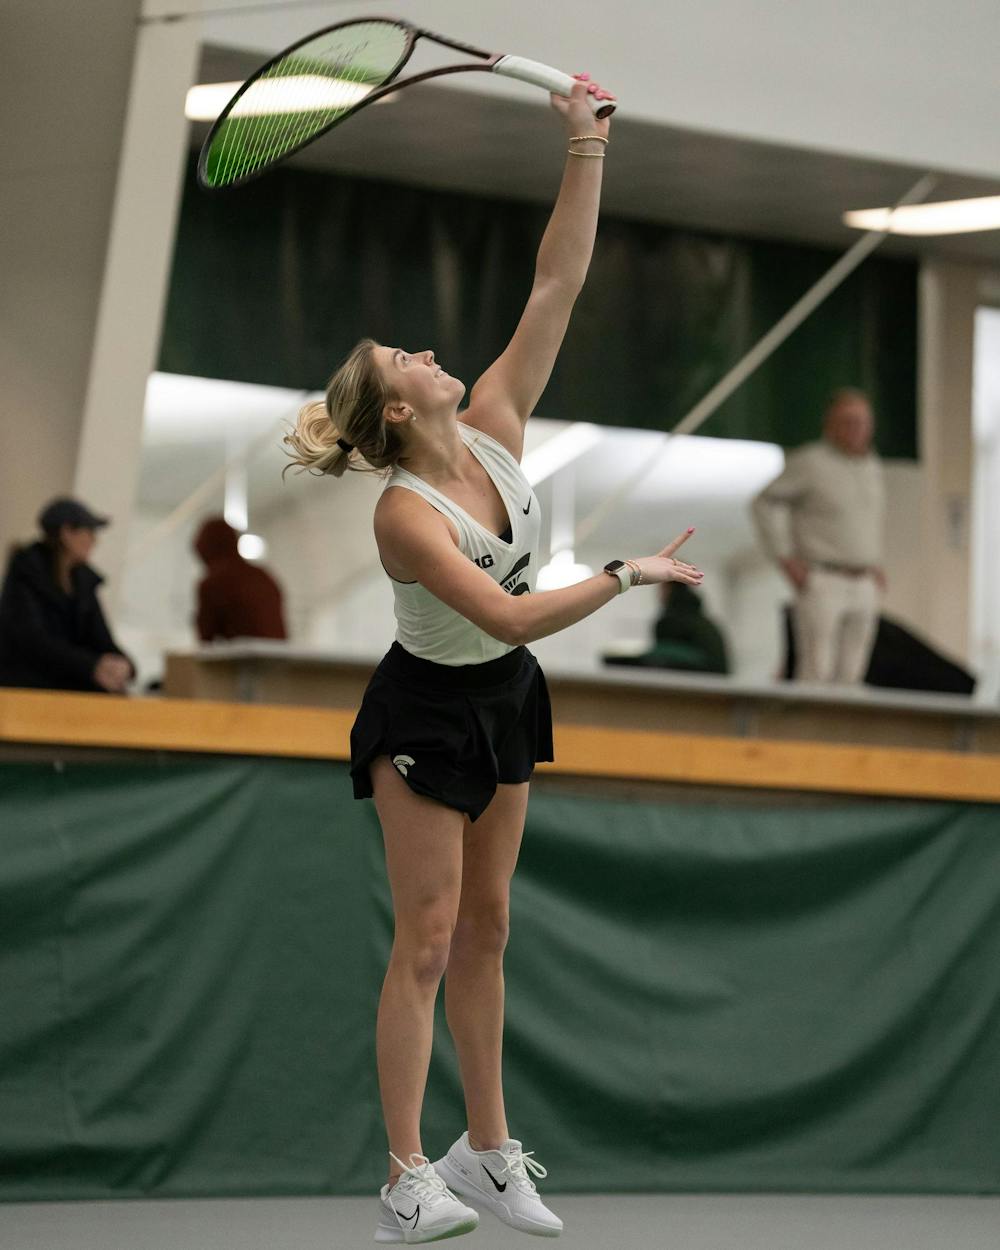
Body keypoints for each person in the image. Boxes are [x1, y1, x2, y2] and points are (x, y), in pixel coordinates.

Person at [283, 76, 703, 1245]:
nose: (428, 350)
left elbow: (556, 281)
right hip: (426, 708)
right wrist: (622, 574)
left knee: (489, 927)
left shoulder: (498, 426)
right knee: (424, 935)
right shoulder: (406, 514)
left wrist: (584, 143)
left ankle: (486, 1151)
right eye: (406, 356)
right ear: (396, 408)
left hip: (504, 701)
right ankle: (407, 1171)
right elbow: (511, 619)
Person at [751, 388, 886, 684]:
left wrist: (875, 564)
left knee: (853, 673)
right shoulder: (810, 463)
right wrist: (784, 558)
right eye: (848, 421)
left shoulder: (872, 466)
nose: (856, 429)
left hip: (864, 581)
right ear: (831, 425)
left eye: (862, 422)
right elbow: (763, 502)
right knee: (816, 669)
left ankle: (845, 731)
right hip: (822, 578)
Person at [0, 497, 134, 694]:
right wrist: (91, 666)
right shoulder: (26, 575)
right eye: (88, 532)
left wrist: (124, 665)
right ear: (66, 533)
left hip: (71, 684)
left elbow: (101, 638)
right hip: (29, 687)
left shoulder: (83, 582)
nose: (94, 540)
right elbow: (32, 642)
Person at [192, 516, 287, 642]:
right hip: (279, 658)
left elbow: (206, 639)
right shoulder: (263, 576)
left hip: (243, 660)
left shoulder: (213, 583)